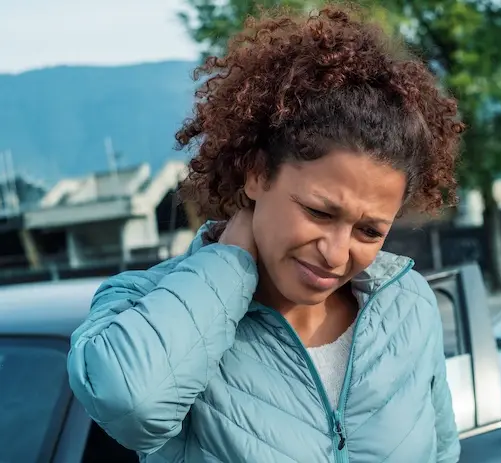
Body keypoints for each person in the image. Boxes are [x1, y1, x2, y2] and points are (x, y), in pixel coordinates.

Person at [66, 6, 464, 463]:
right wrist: (230, 260)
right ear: (256, 174)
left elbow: (442, 452)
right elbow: (131, 404)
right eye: (318, 211)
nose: (336, 253)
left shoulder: (406, 303)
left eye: (369, 230)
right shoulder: (140, 302)